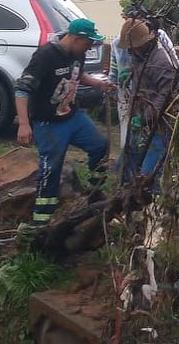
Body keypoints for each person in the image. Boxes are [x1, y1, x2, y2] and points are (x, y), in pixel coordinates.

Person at [15, 18, 114, 225]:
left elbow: (77, 75)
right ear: (76, 39)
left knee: (100, 145)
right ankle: (41, 220)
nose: (88, 50)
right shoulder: (45, 56)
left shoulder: (77, 54)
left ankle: (95, 191)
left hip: (72, 116)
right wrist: (24, 124)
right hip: (47, 123)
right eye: (87, 44)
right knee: (51, 168)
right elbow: (22, 89)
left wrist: (96, 83)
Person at [116, 17, 179, 193]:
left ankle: (154, 211)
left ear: (142, 44)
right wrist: (130, 74)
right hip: (142, 124)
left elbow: (165, 95)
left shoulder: (159, 61)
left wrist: (144, 118)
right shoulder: (140, 56)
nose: (129, 51)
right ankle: (128, 204)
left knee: (149, 174)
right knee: (124, 167)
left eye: (132, 47)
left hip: (159, 126)